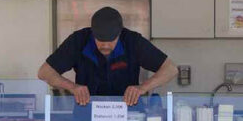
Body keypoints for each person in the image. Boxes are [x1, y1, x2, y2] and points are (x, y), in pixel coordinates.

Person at [37, 7, 178, 106]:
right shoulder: (78, 41)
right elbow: (44, 72)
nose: (105, 46)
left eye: (111, 41)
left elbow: (170, 69)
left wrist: (142, 88)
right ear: (92, 33)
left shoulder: (133, 41)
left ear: (119, 34)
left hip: (128, 115)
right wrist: (73, 87)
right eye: (100, 40)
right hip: (87, 115)